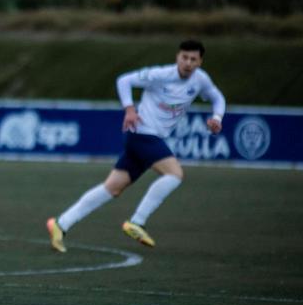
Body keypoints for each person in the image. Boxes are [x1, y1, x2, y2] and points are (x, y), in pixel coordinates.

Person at [45, 39, 225, 253]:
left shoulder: (200, 79)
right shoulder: (160, 75)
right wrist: (130, 109)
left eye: (193, 59)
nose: (187, 63)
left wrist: (217, 118)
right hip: (142, 134)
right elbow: (124, 81)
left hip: (147, 138)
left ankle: (61, 224)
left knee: (112, 188)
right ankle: (137, 222)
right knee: (175, 174)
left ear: (200, 62)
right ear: (177, 57)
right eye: (184, 57)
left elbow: (217, 98)